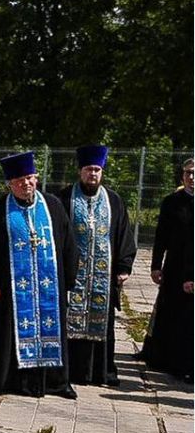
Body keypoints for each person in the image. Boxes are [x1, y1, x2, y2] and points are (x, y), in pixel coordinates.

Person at [0, 152, 79, 398]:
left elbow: (69, 244)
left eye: (30, 178)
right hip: (12, 287)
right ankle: (11, 381)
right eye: (20, 180)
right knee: (10, 334)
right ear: (10, 184)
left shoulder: (53, 206)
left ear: (37, 178)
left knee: (51, 331)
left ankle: (55, 382)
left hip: (49, 288)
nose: (26, 184)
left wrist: (68, 278)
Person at [56, 145, 137, 386]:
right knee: (70, 319)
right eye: (89, 169)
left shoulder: (113, 200)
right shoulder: (64, 198)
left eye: (97, 170)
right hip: (74, 275)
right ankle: (70, 372)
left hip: (103, 278)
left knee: (102, 323)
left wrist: (124, 266)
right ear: (80, 171)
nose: (93, 174)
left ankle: (99, 373)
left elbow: (124, 235)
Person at [140, 159, 194, 383]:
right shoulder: (172, 202)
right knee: (171, 312)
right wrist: (155, 265)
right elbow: (161, 236)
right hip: (174, 267)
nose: (192, 177)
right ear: (182, 176)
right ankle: (165, 358)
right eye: (188, 173)